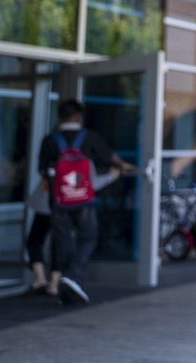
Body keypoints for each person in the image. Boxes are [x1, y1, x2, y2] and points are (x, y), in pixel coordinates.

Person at [37, 99, 135, 305]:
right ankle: (73, 277)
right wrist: (127, 167)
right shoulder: (89, 137)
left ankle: (67, 280)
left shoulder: (49, 140)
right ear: (79, 116)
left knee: (62, 241)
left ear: (60, 116)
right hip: (83, 200)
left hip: (59, 200)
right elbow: (110, 158)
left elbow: (42, 172)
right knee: (88, 237)